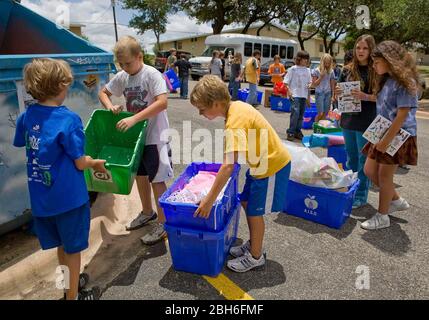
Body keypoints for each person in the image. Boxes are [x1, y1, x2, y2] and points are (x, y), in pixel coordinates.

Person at [13, 58, 106, 300]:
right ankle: (72, 296)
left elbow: (24, 142)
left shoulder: (26, 116)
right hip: (69, 201)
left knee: (61, 247)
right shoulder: (69, 119)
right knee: (73, 250)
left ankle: (69, 286)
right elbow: (80, 162)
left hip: (43, 201)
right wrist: (96, 163)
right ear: (61, 86)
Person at [190, 75, 292, 272]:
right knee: (245, 201)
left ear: (216, 103)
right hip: (259, 166)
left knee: (254, 212)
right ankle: (254, 243)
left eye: (202, 109)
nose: (201, 113)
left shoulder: (234, 121)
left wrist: (209, 200)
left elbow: (228, 165)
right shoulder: (235, 107)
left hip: (271, 166)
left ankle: (255, 256)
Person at [98, 36, 173, 245]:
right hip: (137, 139)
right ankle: (147, 212)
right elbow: (103, 93)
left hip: (156, 137)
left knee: (157, 180)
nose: (124, 67)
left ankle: (164, 223)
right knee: (140, 176)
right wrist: (110, 106)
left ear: (139, 56)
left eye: (128, 63)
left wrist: (134, 118)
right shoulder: (123, 76)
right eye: (121, 64)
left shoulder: (151, 74)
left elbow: (162, 103)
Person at [360, 41, 419, 230]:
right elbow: (380, 100)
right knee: (369, 170)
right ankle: (396, 200)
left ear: (389, 60)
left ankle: (382, 216)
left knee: (384, 176)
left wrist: (386, 140)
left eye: (377, 62)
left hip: (398, 133)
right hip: (381, 129)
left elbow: (402, 115)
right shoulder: (386, 79)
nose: (374, 65)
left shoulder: (406, 82)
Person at [333, 34, 377, 209]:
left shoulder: (377, 70)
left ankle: (360, 195)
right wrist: (337, 92)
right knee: (350, 158)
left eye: (365, 48)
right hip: (348, 120)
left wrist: (364, 96)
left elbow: (382, 98)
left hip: (367, 121)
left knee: (363, 160)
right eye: (358, 48)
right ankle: (350, 189)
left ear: (371, 50)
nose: (361, 51)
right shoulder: (346, 70)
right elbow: (339, 95)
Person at [284, 50, 312, 141]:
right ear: (299, 59)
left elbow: (309, 83)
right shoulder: (293, 69)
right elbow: (286, 82)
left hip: (303, 95)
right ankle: (291, 132)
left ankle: (297, 131)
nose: (306, 61)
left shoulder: (308, 70)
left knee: (301, 114)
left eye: (307, 59)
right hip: (294, 95)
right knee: (295, 113)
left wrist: (308, 98)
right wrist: (289, 91)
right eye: (304, 59)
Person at [311, 53, 336, 122]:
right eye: (325, 63)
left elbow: (332, 85)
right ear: (322, 62)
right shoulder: (316, 70)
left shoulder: (331, 71)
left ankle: (321, 129)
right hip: (319, 93)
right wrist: (321, 76)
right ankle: (315, 125)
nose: (327, 65)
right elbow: (314, 84)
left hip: (328, 93)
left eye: (328, 63)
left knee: (325, 113)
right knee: (320, 113)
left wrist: (333, 95)